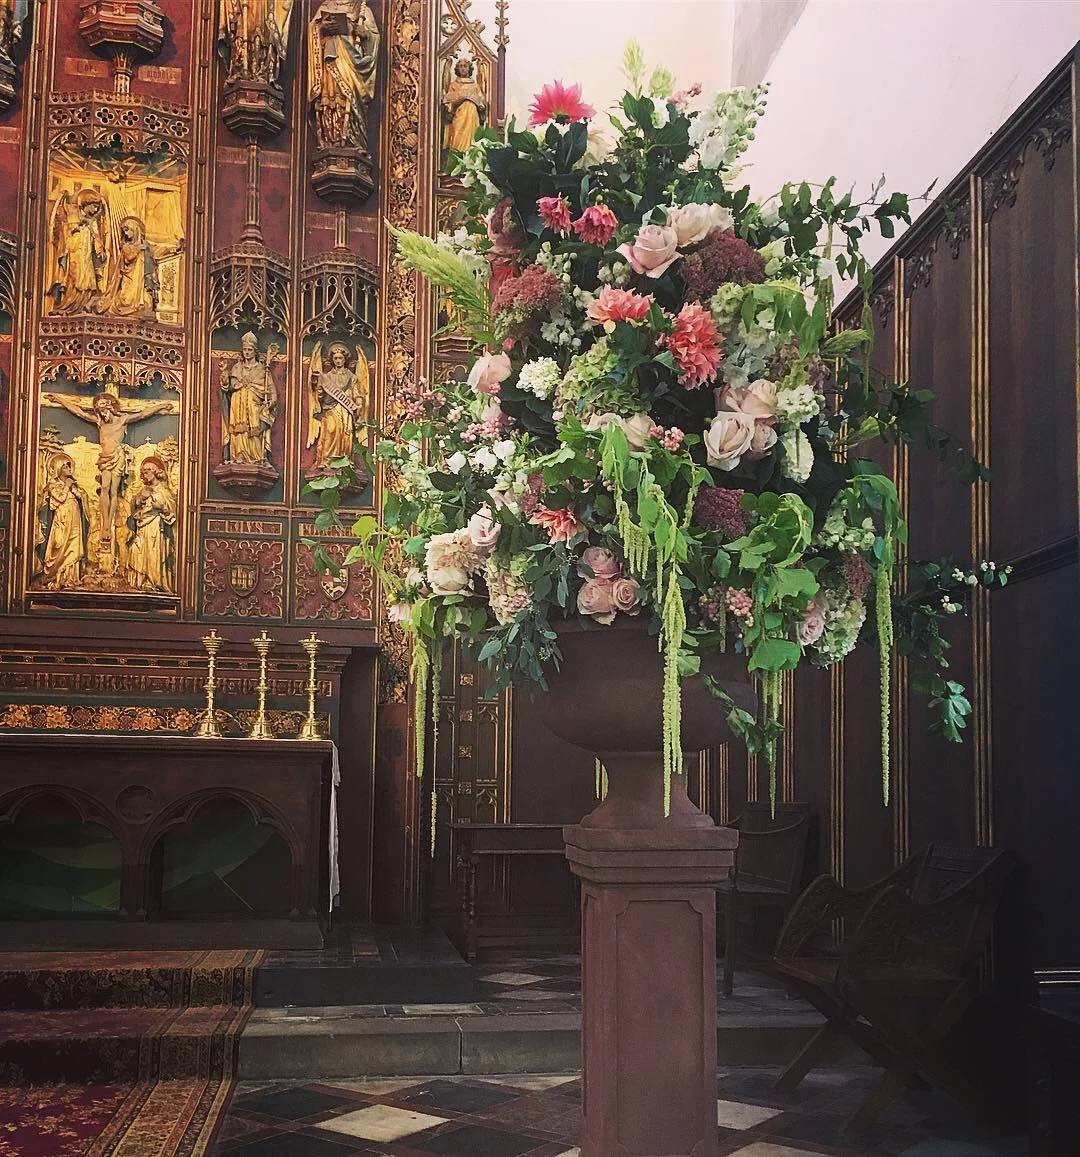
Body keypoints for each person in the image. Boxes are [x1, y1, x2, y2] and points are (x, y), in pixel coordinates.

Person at [44, 390, 175, 549]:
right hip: (105, 459)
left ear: (111, 408)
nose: (102, 415)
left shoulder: (122, 420)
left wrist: (161, 406)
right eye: (100, 412)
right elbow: (79, 412)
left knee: (113, 491)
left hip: (118, 457)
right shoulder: (100, 422)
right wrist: (59, 399)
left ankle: (109, 521)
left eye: (104, 411)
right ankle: (105, 522)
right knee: (104, 488)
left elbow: (142, 414)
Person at [308, 0, 379, 152]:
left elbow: (374, 38)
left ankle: (352, 138)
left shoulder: (362, 9)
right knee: (330, 96)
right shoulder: (327, 5)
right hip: (330, 59)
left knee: (349, 98)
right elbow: (313, 28)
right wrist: (321, 27)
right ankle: (331, 138)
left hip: (351, 62)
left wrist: (365, 34)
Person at [98, 216, 184, 320]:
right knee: (126, 300)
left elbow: (158, 251)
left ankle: (143, 307)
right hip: (130, 280)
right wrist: (139, 248)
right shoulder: (126, 246)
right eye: (124, 231)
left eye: (127, 230)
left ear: (135, 229)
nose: (126, 234)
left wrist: (174, 249)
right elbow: (129, 257)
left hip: (142, 280)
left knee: (145, 302)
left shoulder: (146, 246)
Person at [306, 341, 368, 471]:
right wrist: (319, 392)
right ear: (332, 360)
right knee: (330, 430)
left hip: (346, 410)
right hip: (331, 409)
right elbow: (320, 397)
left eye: (340, 358)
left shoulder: (351, 377)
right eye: (335, 358)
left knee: (345, 434)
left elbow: (357, 392)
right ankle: (326, 460)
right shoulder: (326, 377)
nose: (338, 361)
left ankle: (344, 462)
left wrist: (358, 403)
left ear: (345, 359)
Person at [220, 332, 279, 466]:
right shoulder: (237, 368)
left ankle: (257, 457)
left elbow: (272, 391)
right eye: (245, 349)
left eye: (250, 350)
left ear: (255, 351)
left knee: (255, 431)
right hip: (238, 404)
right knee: (238, 431)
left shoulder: (263, 370)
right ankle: (239, 455)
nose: (247, 352)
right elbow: (227, 387)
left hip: (254, 405)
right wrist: (224, 372)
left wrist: (271, 402)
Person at [48, 189, 109, 314]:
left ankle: (84, 305)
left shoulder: (93, 222)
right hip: (74, 255)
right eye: (94, 206)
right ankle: (69, 306)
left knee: (88, 281)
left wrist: (99, 250)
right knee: (74, 279)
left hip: (87, 257)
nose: (95, 210)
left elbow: (97, 238)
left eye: (97, 208)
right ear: (86, 204)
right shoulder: (72, 215)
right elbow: (64, 233)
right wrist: (75, 228)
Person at [35, 453, 90, 589]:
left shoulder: (73, 484)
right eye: (65, 467)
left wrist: (79, 493)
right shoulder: (52, 485)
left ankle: (71, 578)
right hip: (62, 520)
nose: (69, 469)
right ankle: (56, 576)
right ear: (59, 469)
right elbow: (60, 498)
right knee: (59, 544)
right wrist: (66, 486)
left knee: (74, 546)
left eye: (69, 467)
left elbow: (81, 497)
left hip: (75, 519)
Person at [125, 456, 177, 593]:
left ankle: (152, 581)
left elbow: (171, 508)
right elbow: (134, 504)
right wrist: (139, 500)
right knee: (138, 550)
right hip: (142, 526)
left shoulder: (163, 490)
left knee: (153, 552)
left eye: (148, 471)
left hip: (155, 526)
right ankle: (140, 580)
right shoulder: (144, 490)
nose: (145, 475)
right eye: (143, 472)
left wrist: (162, 507)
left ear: (156, 472)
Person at [443, 56, 486, 156]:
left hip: (472, 116)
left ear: (469, 68)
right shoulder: (454, 85)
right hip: (459, 115)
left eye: (465, 66)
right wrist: (459, 100)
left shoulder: (475, 86)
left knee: (471, 140)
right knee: (457, 136)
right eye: (460, 66)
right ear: (457, 69)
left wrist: (480, 105)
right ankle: (456, 157)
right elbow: (448, 102)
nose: (463, 68)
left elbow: (481, 101)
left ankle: (470, 158)